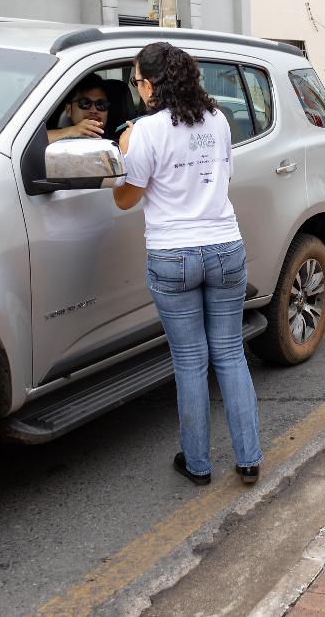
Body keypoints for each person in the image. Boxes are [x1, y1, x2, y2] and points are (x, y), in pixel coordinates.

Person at [112, 42, 263, 486]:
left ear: (151, 83)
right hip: (225, 246)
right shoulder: (217, 119)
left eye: (136, 80)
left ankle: (197, 465)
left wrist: (124, 149)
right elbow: (224, 177)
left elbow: (125, 200)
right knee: (232, 354)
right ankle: (249, 459)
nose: (136, 89)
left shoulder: (144, 132)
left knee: (191, 362)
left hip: (173, 254)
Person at [47, 73, 110, 143]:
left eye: (101, 104)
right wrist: (72, 131)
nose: (94, 110)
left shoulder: (118, 138)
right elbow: (37, 140)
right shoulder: (61, 136)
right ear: (69, 110)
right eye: (85, 103)